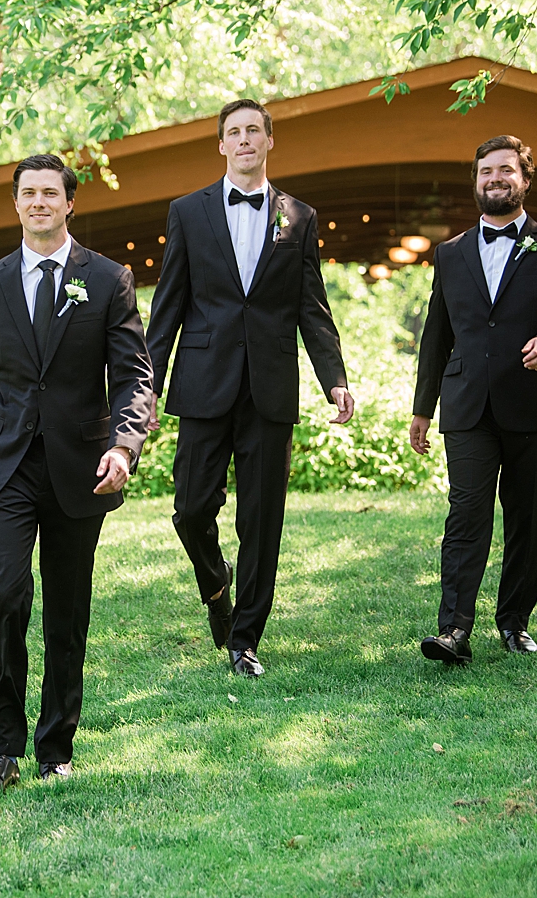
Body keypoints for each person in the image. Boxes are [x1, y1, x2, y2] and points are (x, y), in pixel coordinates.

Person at [0, 154, 154, 799]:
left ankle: (56, 746)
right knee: (5, 595)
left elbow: (134, 376)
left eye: (51, 193)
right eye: (27, 193)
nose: (39, 202)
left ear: (69, 203)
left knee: (67, 611)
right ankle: (1, 748)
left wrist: (124, 448)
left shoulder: (108, 279)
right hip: (4, 467)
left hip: (80, 469)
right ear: (15, 204)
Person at [145, 99, 354, 678]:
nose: (242, 140)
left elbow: (311, 307)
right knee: (189, 511)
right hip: (202, 382)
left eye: (252, 132)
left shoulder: (299, 216)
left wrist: (333, 380)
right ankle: (217, 586)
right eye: (232, 132)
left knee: (262, 519)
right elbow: (167, 310)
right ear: (221, 145)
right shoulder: (187, 212)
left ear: (268, 142)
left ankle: (245, 639)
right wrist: (146, 394)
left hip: (270, 386)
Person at [410, 134, 537, 663]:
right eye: (486, 171)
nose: (495, 179)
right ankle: (454, 631)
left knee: (526, 518)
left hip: (533, 402)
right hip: (466, 405)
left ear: (525, 180)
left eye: (506, 170)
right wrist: (423, 408)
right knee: (466, 515)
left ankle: (513, 622)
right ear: (476, 181)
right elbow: (436, 335)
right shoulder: (450, 253)